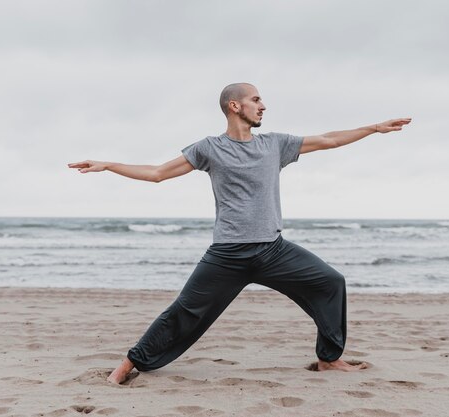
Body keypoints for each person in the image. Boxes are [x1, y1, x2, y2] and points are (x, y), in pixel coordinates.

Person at [68, 83, 411, 384]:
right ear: (235, 106)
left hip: (273, 250)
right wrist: (110, 165)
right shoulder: (209, 148)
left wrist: (374, 128)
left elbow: (328, 140)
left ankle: (329, 359)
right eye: (256, 99)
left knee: (331, 282)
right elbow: (157, 173)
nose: (263, 106)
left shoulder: (274, 145)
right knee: (185, 312)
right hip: (227, 255)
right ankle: (127, 366)